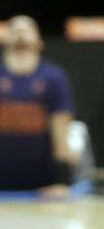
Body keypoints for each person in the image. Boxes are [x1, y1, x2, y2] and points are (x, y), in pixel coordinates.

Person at [0, 16, 80, 197]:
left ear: (39, 42)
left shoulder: (54, 78)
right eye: (15, 29)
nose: (20, 32)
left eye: (27, 28)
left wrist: (62, 182)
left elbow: (61, 131)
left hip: (42, 186)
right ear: (5, 40)